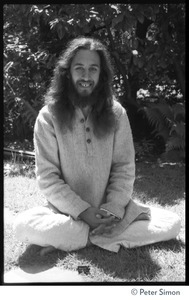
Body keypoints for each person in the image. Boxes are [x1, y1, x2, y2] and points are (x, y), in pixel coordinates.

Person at [14, 37, 181, 255]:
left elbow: (124, 167)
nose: (86, 76)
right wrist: (83, 212)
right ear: (67, 72)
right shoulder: (48, 116)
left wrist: (111, 209)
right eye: (79, 68)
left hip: (111, 213)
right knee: (22, 225)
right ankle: (99, 236)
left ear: (101, 75)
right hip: (66, 213)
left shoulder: (117, 113)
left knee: (173, 222)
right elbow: (47, 178)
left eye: (93, 69)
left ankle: (81, 237)